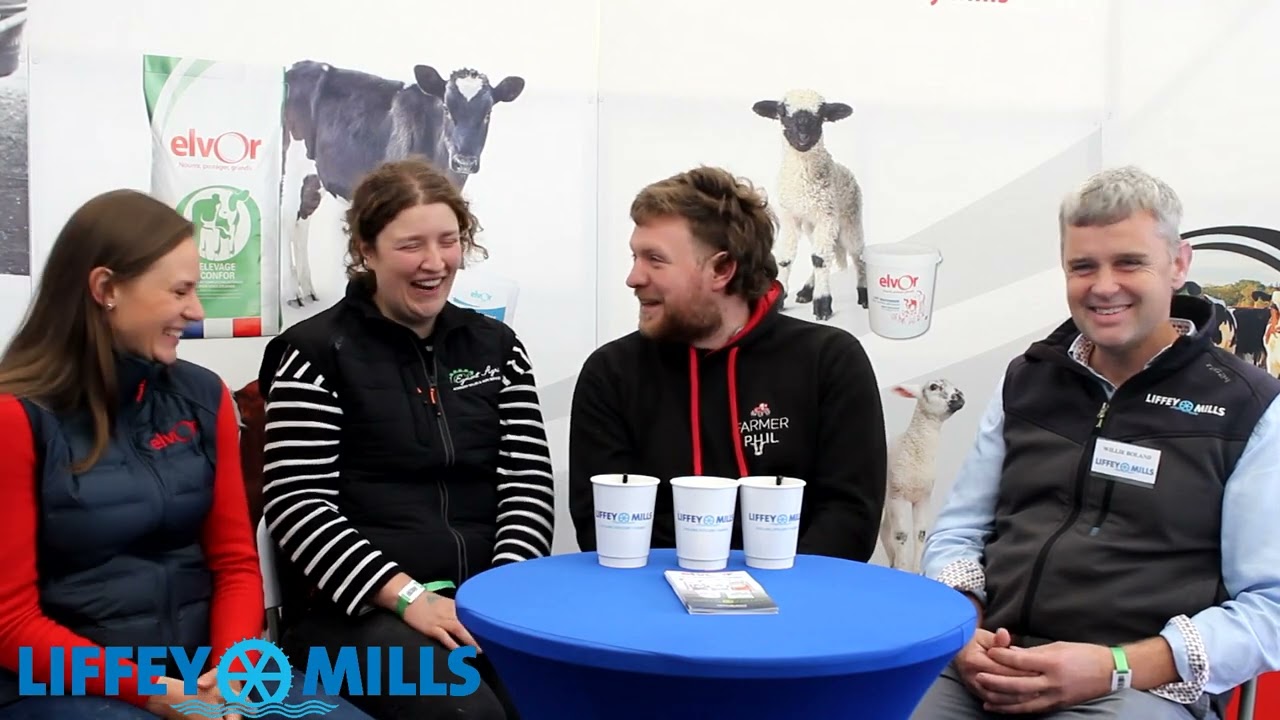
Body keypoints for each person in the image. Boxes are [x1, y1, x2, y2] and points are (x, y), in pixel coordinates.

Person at [912, 166, 1280, 720]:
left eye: (1129, 262)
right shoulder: (1028, 378)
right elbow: (960, 531)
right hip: (985, 663)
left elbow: (1270, 607)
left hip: (1136, 687)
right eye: (1083, 266)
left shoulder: (1249, 405)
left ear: (1179, 264)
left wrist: (1116, 666)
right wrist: (962, 630)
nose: (1104, 286)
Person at [0, 190, 369, 719]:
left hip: (204, 672)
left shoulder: (204, 396)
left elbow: (235, 563)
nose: (196, 312)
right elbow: (10, 623)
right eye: (180, 291)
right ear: (106, 289)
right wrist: (156, 693)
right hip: (64, 684)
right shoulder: (16, 418)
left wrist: (233, 673)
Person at [256, 157, 555, 720]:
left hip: (480, 603)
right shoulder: (313, 354)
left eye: (448, 241)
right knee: (470, 714)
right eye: (410, 245)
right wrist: (410, 598)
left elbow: (527, 485)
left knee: (564, 698)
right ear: (366, 251)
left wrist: (501, 599)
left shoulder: (498, 348)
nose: (434, 262)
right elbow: (297, 506)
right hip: (351, 617)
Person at [568, 165, 888, 561]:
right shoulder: (610, 373)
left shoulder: (830, 361)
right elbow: (605, 528)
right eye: (635, 257)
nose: (633, 278)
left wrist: (761, 590)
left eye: (655, 259)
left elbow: (849, 520)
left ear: (722, 269)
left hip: (794, 597)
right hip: (651, 595)